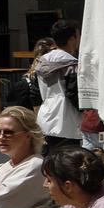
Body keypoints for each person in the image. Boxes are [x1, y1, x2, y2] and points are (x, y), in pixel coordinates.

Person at [34, 20, 84, 153]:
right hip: (67, 120)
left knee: (50, 163)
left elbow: (35, 93)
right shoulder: (72, 64)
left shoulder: (41, 62)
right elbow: (74, 94)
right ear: (72, 38)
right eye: (78, 36)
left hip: (45, 118)